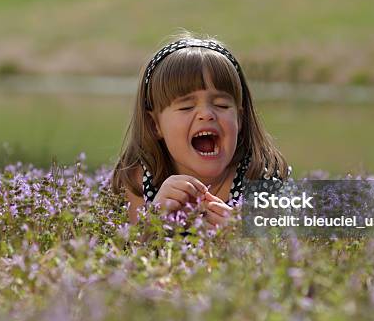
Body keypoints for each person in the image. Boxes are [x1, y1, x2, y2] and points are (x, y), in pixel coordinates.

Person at [111, 32, 291, 228]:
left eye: (222, 105)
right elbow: (126, 251)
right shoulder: (138, 179)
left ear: (240, 118)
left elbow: (295, 247)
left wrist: (240, 240)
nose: (206, 114)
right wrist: (153, 221)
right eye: (186, 107)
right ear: (155, 125)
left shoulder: (261, 177)